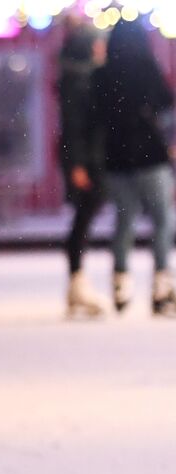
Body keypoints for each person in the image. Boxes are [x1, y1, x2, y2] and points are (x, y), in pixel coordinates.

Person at [92, 16, 176, 317]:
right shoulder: (146, 67)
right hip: (151, 157)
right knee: (162, 222)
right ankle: (162, 287)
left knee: (124, 222)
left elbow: (95, 118)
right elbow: (167, 105)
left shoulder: (102, 76)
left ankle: (121, 283)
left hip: (116, 159)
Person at [57, 19, 108, 318]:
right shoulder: (80, 82)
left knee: (85, 216)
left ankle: (77, 280)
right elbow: (75, 128)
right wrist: (78, 164)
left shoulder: (85, 78)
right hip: (85, 161)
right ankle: (77, 279)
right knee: (83, 217)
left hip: (87, 159)